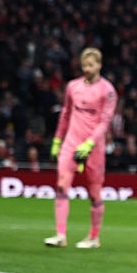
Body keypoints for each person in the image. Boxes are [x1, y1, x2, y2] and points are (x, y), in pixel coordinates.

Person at [44, 48, 118, 249]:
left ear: (99, 65)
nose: (87, 69)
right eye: (84, 65)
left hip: (93, 148)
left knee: (94, 193)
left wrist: (90, 143)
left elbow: (105, 122)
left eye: (91, 65)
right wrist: (57, 141)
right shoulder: (72, 86)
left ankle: (94, 237)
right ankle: (60, 235)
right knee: (61, 186)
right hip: (71, 143)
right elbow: (66, 114)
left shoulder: (108, 90)